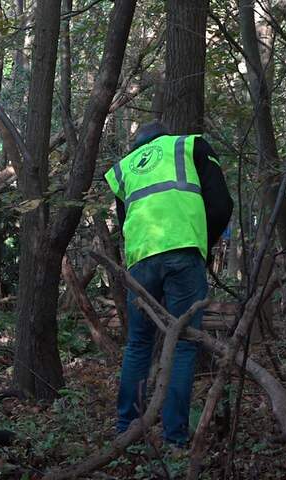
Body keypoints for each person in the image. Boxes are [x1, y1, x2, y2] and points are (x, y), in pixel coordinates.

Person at [104, 121, 233, 447]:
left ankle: (127, 431)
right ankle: (175, 439)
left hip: (140, 260)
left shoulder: (125, 167)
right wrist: (201, 246)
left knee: (138, 344)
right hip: (183, 254)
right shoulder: (190, 145)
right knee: (184, 343)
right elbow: (221, 206)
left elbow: (125, 223)